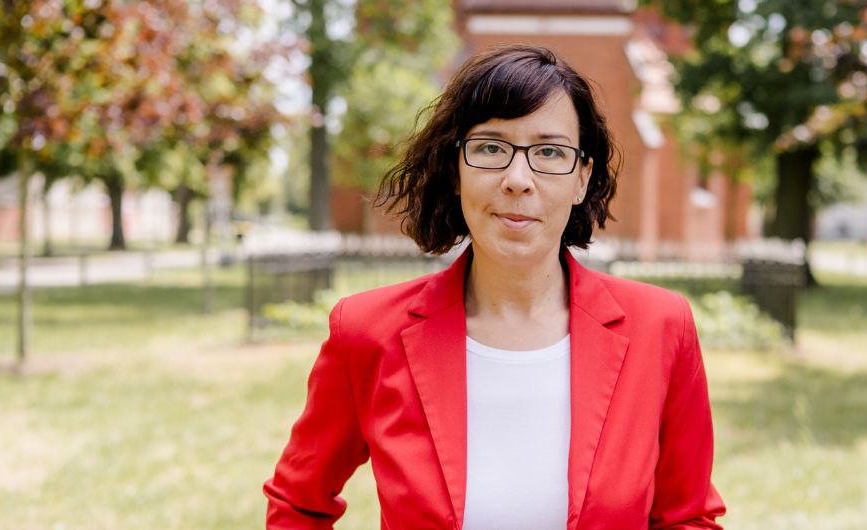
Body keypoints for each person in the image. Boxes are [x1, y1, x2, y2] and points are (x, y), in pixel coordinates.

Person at [264, 44, 724, 529]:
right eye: (490, 148)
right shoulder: (366, 332)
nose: (517, 179)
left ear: (582, 179)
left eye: (549, 152)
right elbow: (297, 503)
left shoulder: (661, 328)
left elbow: (688, 517)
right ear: (455, 170)